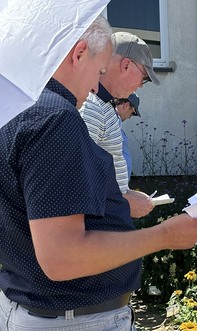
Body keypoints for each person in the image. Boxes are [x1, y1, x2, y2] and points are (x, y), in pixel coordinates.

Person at [0, 16, 197, 331]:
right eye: (99, 71)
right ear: (78, 53)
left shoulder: (17, 108)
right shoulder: (55, 117)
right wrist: (165, 235)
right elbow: (62, 256)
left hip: (36, 317)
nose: (96, 87)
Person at [80, 32, 158, 219]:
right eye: (144, 78)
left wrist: (126, 193)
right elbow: (79, 182)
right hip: (99, 224)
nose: (141, 86)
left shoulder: (103, 105)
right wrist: (125, 203)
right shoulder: (91, 107)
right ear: (126, 65)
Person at [115, 93, 141, 177]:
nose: (130, 117)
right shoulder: (113, 123)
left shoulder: (116, 122)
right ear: (126, 105)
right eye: (132, 113)